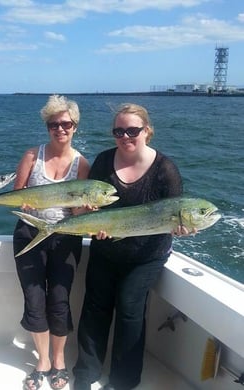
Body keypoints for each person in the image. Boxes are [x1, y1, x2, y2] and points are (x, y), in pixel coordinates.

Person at [73, 103, 192, 390]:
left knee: (129, 308)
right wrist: (87, 214)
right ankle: (86, 374)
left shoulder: (165, 170)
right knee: (94, 307)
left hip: (146, 256)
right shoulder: (102, 162)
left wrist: (182, 229)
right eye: (118, 131)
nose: (125, 136)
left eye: (132, 130)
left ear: (147, 131)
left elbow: (175, 216)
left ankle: (124, 381)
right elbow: (86, 210)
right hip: (105, 247)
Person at [13, 95, 90, 390]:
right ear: (47, 127)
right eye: (53, 124)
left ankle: (59, 360)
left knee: (59, 300)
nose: (60, 129)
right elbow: (17, 196)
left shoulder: (82, 163)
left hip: (65, 238)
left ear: (75, 127)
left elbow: (76, 212)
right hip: (29, 234)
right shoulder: (33, 156)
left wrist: (87, 209)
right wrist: (26, 207)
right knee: (34, 299)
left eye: (65, 124)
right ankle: (42, 361)